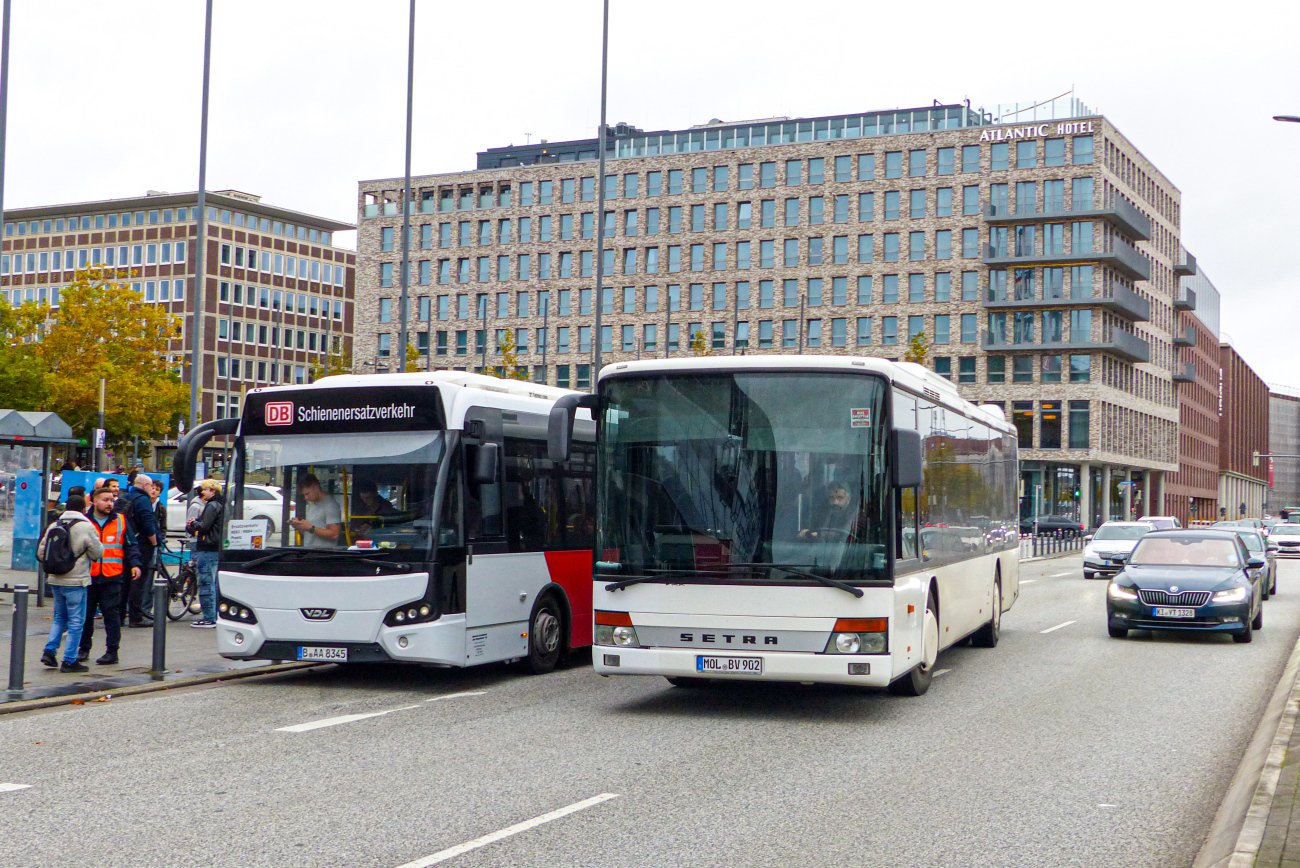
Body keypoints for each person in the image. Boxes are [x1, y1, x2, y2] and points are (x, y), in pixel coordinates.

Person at [37, 493, 103, 673]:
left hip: (56, 579)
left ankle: (50, 651)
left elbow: (41, 553)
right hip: (76, 580)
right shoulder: (86, 527)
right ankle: (70, 660)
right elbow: (97, 553)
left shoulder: (54, 525)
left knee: (60, 617)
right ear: (84, 508)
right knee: (76, 621)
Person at [77, 487, 140, 664]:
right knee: (86, 615)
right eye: (105, 500)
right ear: (94, 501)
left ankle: (112, 651)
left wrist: (135, 564)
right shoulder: (85, 521)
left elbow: (131, 544)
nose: (109, 503)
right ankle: (84, 649)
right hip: (89, 575)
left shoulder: (120, 520)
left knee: (111, 615)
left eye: (111, 500)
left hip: (112, 576)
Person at [120, 472, 160, 627]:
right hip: (141, 544)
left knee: (124, 581)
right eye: (151, 485)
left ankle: (120, 615)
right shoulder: (143, 500)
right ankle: (136, 618)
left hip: (125, 544)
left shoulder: (126, 497)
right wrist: (155, 542)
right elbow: (148, 523)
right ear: (144, 486)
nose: (152, 488)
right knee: (138, 581)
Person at [187, 479, 224, 627]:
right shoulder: (222, 504)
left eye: (205, 489)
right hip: (216, 549)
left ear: (213, 491)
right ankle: (214, 614)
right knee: (214, 584)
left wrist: (192, 523)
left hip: (207, 548)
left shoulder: (212, 505)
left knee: (206, 583)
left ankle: (209, 618)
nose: (202, 492)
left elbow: (204, 526)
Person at [290, 474, 342, 548]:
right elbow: (311, 532)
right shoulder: (312, 504)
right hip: (310, 551)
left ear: (316, 487)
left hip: (324, 555)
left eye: (307, 494)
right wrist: (300, 526)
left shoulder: (331, 505)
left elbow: (334, 534)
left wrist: (311, 528)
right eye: (304, 495)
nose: (306, 498)